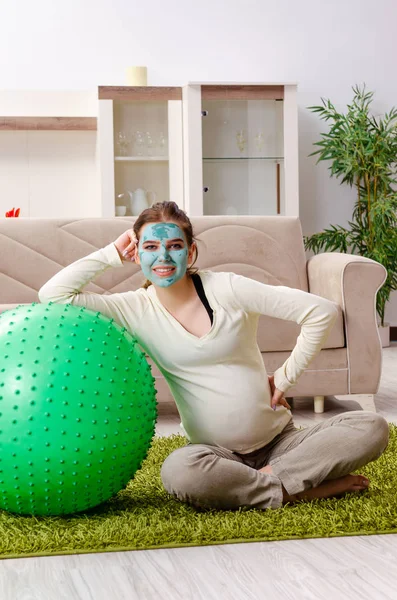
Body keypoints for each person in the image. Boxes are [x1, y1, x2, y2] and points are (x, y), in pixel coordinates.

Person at [38, 201, 389, 511]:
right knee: (178, 472)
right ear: (137, 254)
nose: (163, 257)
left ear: (190, 253)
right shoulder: (132, 308)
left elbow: (321, 312)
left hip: (282, 444)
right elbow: (54, 296)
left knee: (372, 427)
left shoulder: (227, 288)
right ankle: (294, 490)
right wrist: (111, 252)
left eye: (174, 246)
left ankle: (267, 483)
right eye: (150, 246)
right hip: (213, 455)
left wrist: (284, 378)